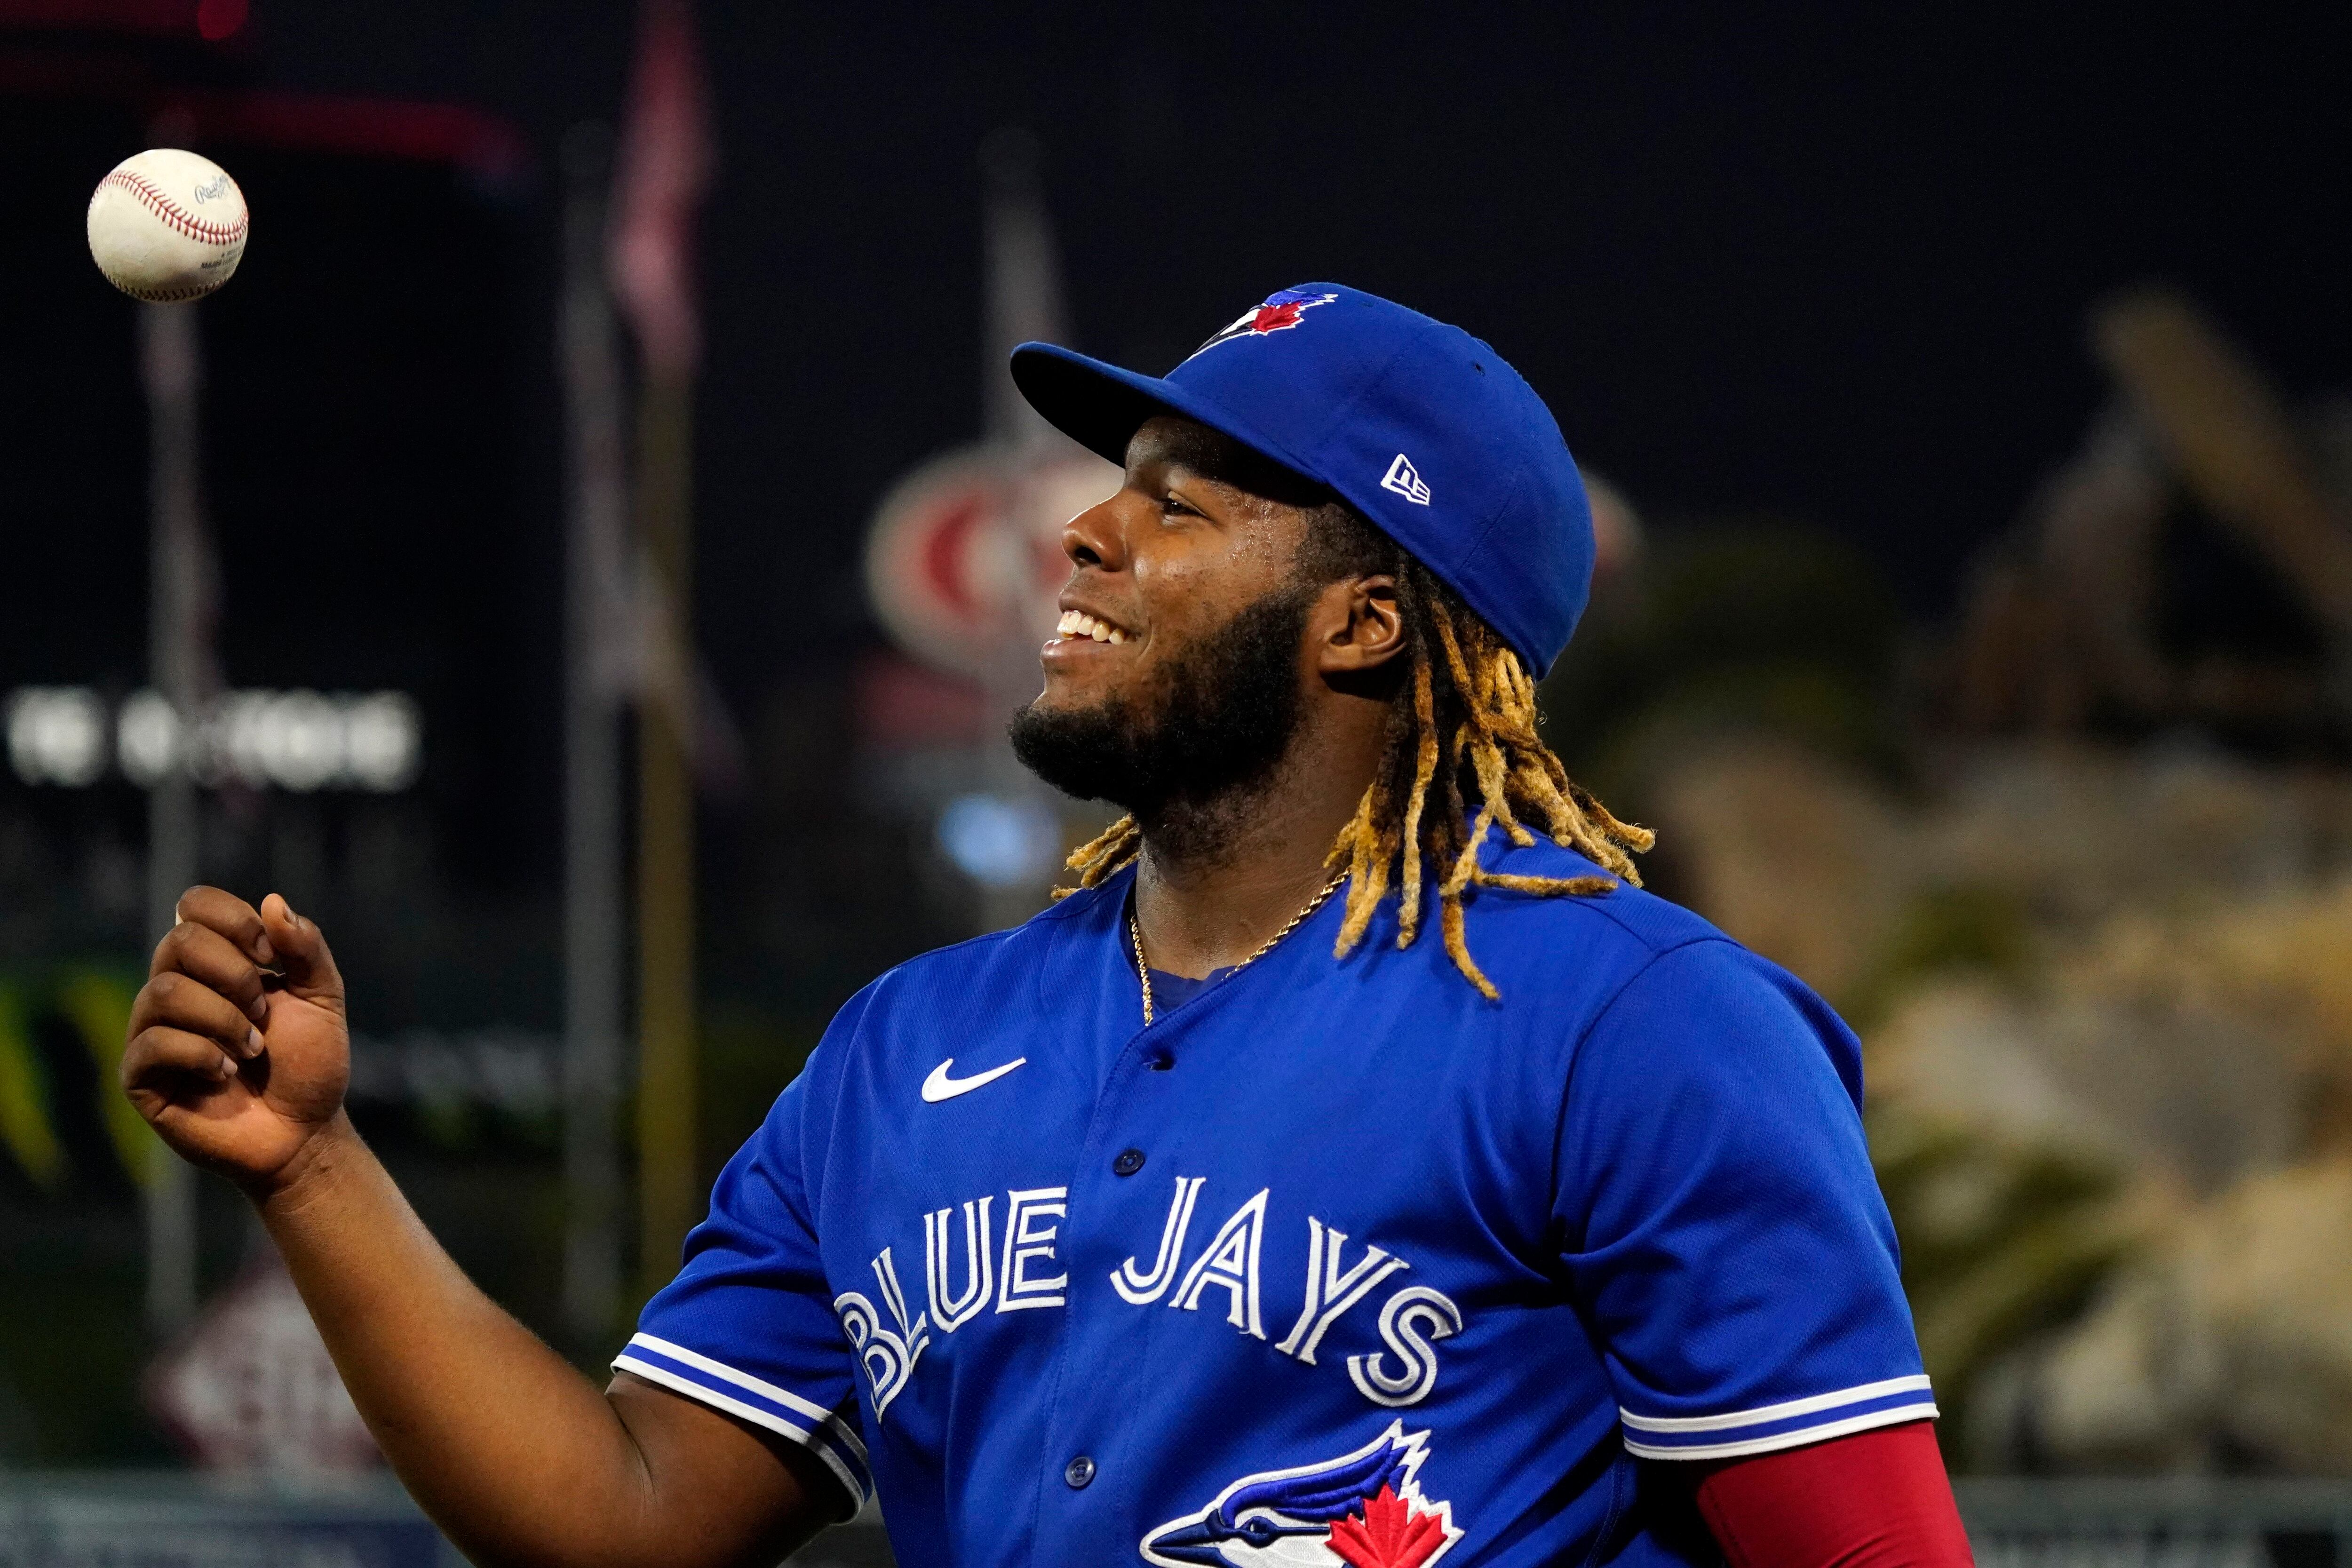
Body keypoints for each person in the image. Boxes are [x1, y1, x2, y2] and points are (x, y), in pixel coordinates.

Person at [123, 284, 1972, 1568]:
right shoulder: (906, 1047)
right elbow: (625, 1517)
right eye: (1112, 485)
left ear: (1365, 623)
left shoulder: (1629, 1023)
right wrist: (312, 1167)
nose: (1084, 531)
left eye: (1178, 504)